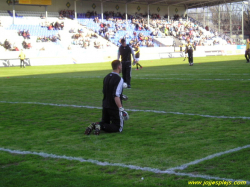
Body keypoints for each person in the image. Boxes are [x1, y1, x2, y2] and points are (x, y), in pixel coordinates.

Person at [84, 60, 129, 135]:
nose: (121, 67)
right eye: (121, 65)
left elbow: (106, 91)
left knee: (105, 122)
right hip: (113, 106)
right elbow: (116, 95)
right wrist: (121, 108)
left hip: (105, 105)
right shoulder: (119, 79)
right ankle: (101, 126)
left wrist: (121, 96)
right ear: (118, 67)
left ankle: (96, 125)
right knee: (118, 127)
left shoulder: (106, 77)